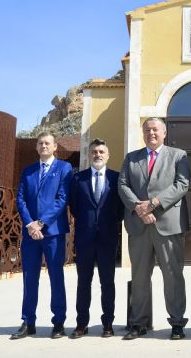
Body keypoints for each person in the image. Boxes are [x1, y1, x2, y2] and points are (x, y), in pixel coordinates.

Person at [118, 117, 190, 340]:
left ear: (164, 132)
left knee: (173, 276)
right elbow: (122, 184)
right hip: (139, 226)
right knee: (139, 277)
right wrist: (139, 208)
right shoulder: (132, 158)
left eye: (155, 129)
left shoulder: (178, 155)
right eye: (147, 130)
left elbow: (182, 184)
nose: (151, 133)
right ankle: (138, 323)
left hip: (168, 224)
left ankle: (177, 323)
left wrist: (154, 203)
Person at [10, 132, 73, 340]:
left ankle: (58, 322)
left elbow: (62, 199)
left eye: (47, 143)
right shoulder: (28, 170)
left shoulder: (64, 168)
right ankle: (28, 321)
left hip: (53, 232)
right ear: (36, 147)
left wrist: (41, 222)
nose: (43, 146)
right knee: (30, 277)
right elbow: (21, 199)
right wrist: (30, 224)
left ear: (55, 147)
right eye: (40, 143)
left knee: (56, 276)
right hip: (30, 234)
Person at [68, 139, 123, 339]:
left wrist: (110, 222)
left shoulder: (116, 178)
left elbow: (121, 207)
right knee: (84, 282)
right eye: (94, 152)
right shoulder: (78, 179)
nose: (97, 155)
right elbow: (74, 206)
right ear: (89, 154)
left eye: (101, 152)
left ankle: (108, 323)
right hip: (85, 238)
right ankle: (81, 323)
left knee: (107, 282)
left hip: (108, 238)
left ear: (108, 155)